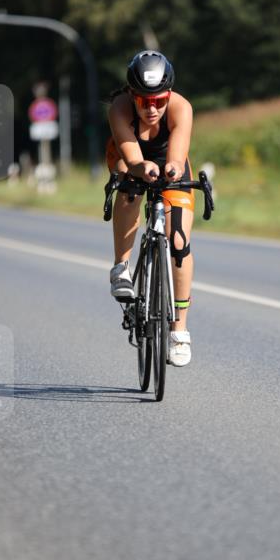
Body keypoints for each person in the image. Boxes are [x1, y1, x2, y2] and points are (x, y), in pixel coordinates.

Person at [106, 50, 195, 367]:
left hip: (169, 161)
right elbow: (131, 157)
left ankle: (179, 331)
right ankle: (121, 267)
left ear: (168, 95)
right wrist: (140, 169)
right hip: (131, 158)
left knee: (180, 243)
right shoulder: (119, 108)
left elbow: (177, 154)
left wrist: (170, 169)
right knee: (129, 189)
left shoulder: (181, 107)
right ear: (132, 95)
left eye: (160, 100)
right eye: (145, 101)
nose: (153, 108)